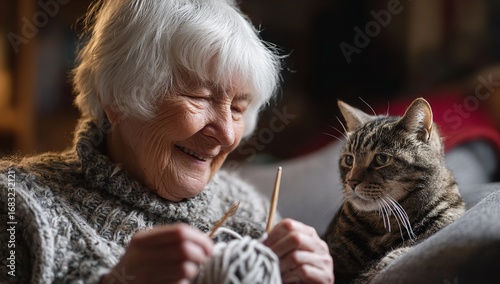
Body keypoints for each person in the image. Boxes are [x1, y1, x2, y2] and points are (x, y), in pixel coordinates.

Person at [0, 0, 334, 283]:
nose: (228, 134)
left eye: (237, 107)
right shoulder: (16, 205)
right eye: (200, 97)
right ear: (116, 99)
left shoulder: (250, 209)